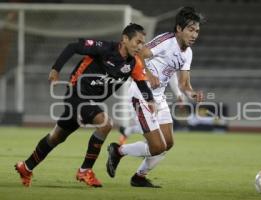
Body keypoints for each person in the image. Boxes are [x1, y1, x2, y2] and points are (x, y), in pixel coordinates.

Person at [14, 23, 155, 188]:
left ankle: (26, 167)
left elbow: (142, 84)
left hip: (90, 101)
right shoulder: (104, 48)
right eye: (137, 42)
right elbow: (72, 47)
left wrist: (150, 100)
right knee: (105, 123)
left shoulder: (133, 63)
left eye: (142, 43)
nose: (140, 46)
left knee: (57, 136)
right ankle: (85, 170)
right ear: (124, 39)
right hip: (77, 95)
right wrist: (55, 69)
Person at [106, 7, 205, 187]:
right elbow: (139, 53)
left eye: (197, 31)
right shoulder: (166, 41)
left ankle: (139, 177)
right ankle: (118, 150)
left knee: (167, 144)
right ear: (179, 29)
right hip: (142, 94)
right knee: (157, 147)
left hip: (159, 98)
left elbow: (184, 84)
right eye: (190, 29)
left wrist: (192, 94)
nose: (194, 34)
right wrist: (149, 75)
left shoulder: (188, 53)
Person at [118, 73, 185, 145]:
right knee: (152, 130)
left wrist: (178, 94)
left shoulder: (171, 63)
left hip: (158, 99)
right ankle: (121, 148)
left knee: (156, 129)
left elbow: (172, 77)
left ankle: (127, 131)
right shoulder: (145, 62)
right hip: (140, 97)